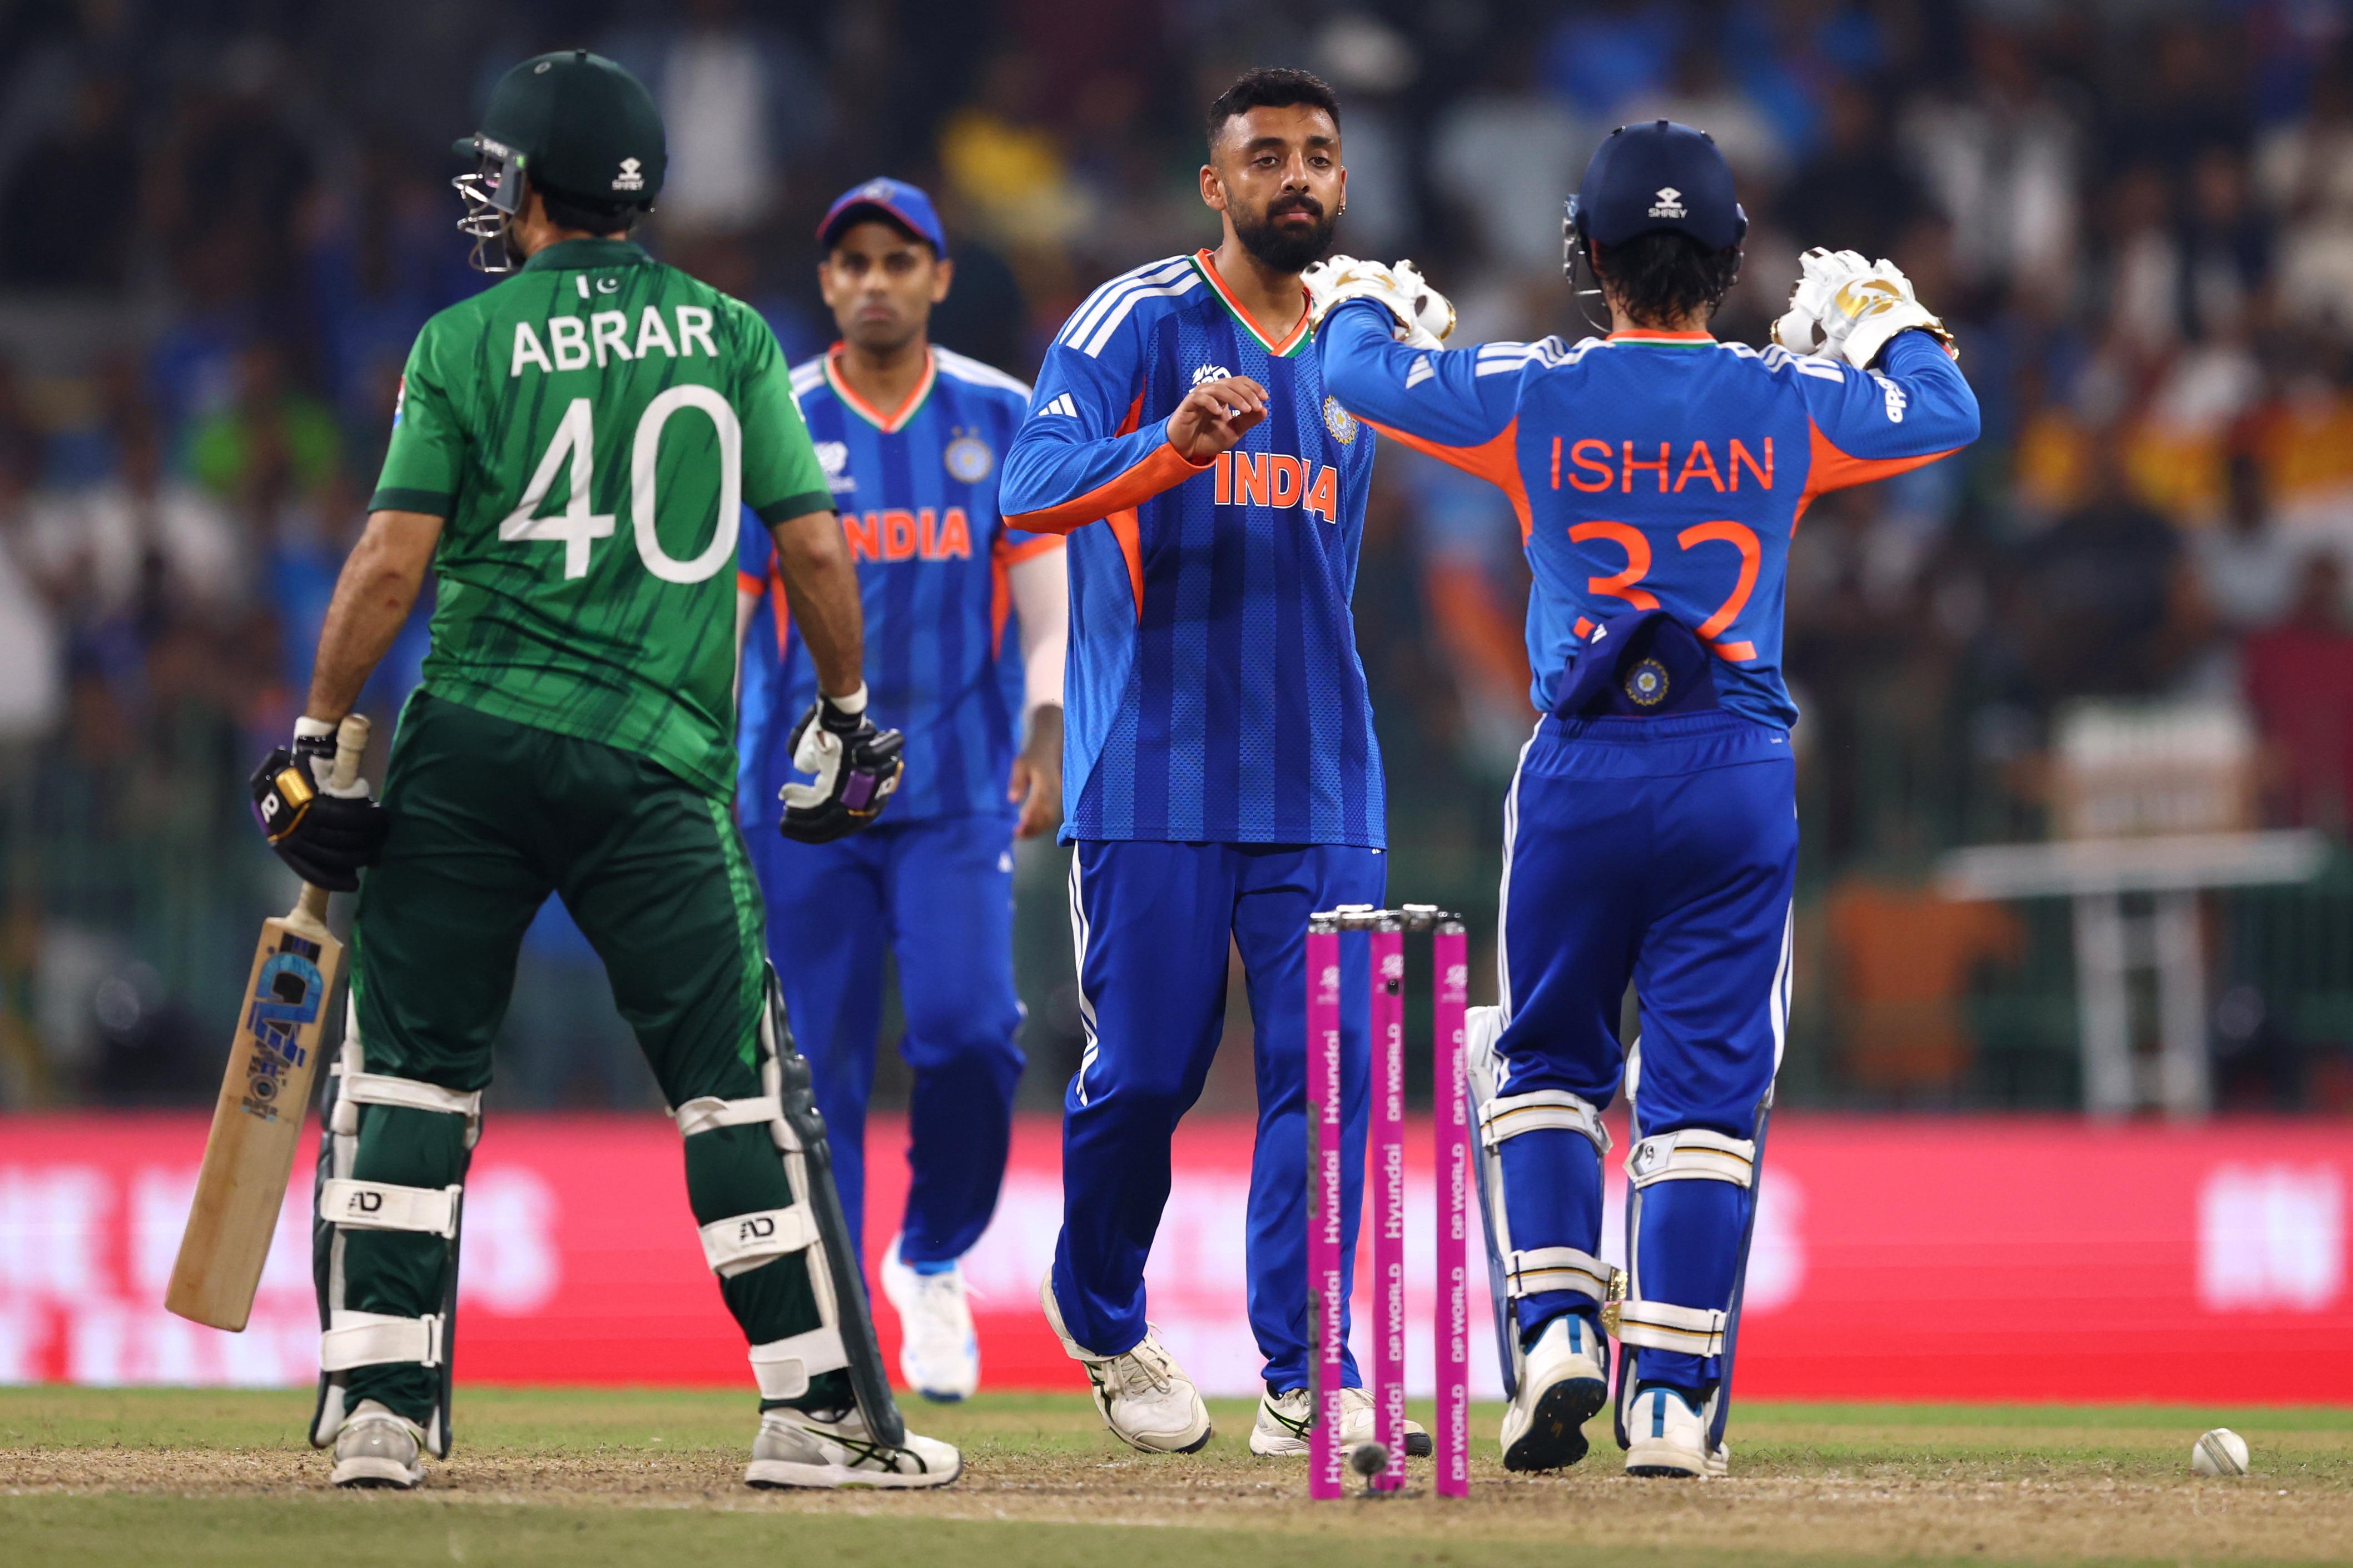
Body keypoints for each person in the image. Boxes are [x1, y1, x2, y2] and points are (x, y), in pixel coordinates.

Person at [251, 50, 955, 1491]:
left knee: (411, 1071)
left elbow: (394, 559)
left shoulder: (462, 339)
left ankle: (381, 1404)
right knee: (734, 1086)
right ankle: (815, 1411)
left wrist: (318, 737)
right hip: (656, 760)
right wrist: (846, 713)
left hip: (473, 744)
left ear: (528, 184)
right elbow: (812, 543)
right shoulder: (734, 336)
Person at [1314, 121, 1979, 1476]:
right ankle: (1670, 1401)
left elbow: (1354, 371)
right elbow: (1948, 413)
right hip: (1734, 772)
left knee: (1547, 1055)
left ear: (1592, 257)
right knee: (1700, 1094)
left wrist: (1374, 299)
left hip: (1578, 769)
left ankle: (1556, 1321)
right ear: (1729, 262)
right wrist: (1887, 320)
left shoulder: (1533, 391)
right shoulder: (1784, 400)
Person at [1000, 66, 1423, 1461]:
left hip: (1321, 779)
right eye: (1265, 158)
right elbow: (1025, 490)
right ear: (1215, 184)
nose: (1293, 178)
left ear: (1343, 185)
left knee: (1334, 1079)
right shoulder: (1137, 320)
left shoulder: (1367, 338)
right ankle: (1102, 1313)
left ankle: (1311, 1372)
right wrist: (1168, 447)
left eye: (1316, 157)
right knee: (1143, 1078)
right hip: (1153, 775)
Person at [736, 177, 1064, 1402]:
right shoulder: (774, 416)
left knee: (975, 1034)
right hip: (803, 802)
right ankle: (837, 1340)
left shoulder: (999, 413)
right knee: (811, 1067)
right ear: (826, 283)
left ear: (935, 275)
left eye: (898, 260)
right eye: (852, 262)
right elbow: (735, 614)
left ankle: (931, 1257)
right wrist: (720, 766)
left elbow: (1046, 605)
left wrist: (1045, 728)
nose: (874, 280)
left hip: (959, 785)